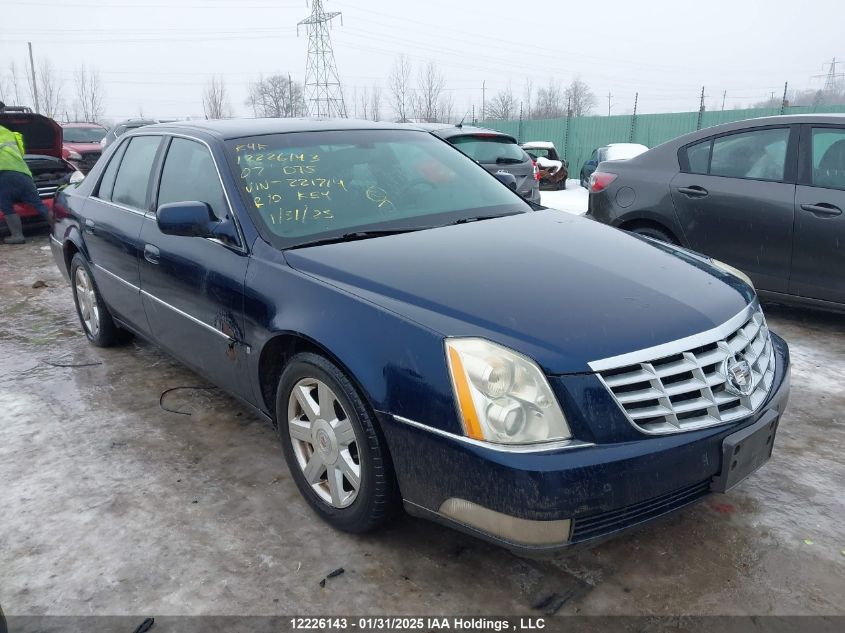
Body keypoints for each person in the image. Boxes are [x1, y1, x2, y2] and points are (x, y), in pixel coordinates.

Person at [0, 101, 51, 245]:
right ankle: (58, 230)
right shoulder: (9, 133)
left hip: (4, 174)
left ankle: (17, 235)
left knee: (6, 205)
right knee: (39, 204)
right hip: (23, 173)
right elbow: (21, 152)